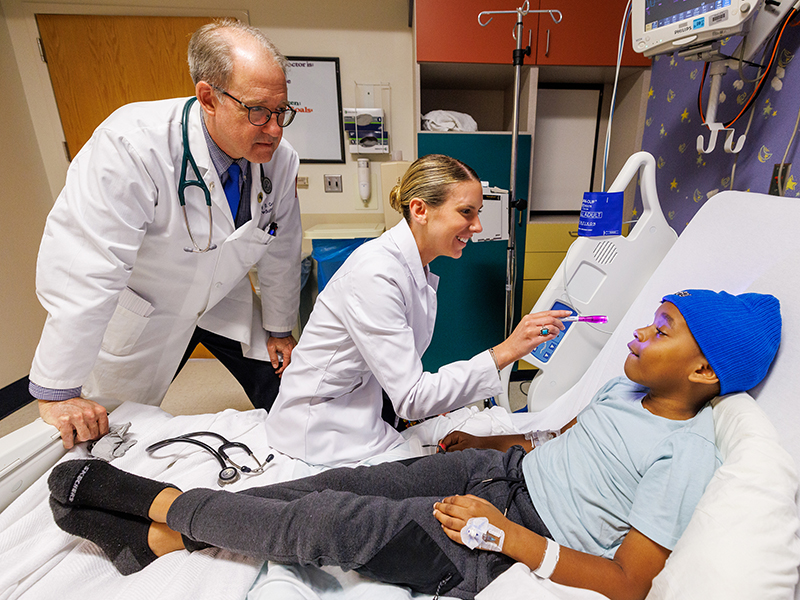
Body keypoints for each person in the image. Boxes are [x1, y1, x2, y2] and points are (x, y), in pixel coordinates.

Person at [46, 289, 782, 600]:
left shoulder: (684, 458)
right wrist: (500, 437)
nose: (642, 332)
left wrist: (515, 543)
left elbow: (630, 583)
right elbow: (570, 438)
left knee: (336, 522)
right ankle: (162, 545)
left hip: (517, 533)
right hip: (500, 468)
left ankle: (158, 505)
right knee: (338, 480)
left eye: (664, 329)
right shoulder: (626, 390)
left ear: (703, 369)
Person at [29, 19, 303, 448]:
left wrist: (281, 328)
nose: (274, 129)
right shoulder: (132, 145)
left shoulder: (279, 160)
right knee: (104, 436)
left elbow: (282, 248)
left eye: (281, 110)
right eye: (257, 111)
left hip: (221, 297)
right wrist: (56, 390)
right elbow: (88, 264)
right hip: (145, 306)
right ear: (209, 97)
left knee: (293, 391)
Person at [264, 153, 571, 467]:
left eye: (478, 213)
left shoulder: (411, 268)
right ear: (420, 210)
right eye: (466, 212)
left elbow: (403, 377)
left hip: (360, 411)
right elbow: (412, 398)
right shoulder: (375, 274)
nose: (477, 227)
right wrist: (506, 351)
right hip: (320, 430)